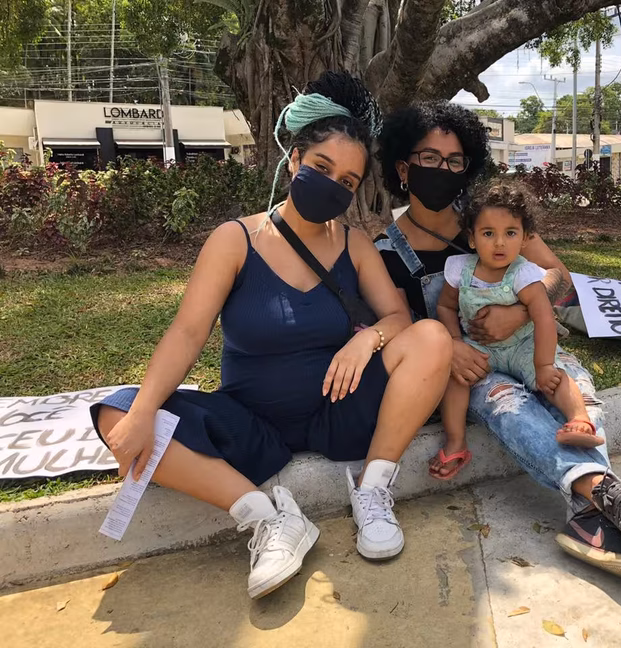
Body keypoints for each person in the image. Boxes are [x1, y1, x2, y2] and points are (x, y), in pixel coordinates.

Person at [89, 72, 452, 600]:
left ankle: (373, 492)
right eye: (322, 168)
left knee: (433, 337)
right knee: (118, 412)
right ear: (295, 161)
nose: (332, 184)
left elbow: (399, 318)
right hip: (251, 424)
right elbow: (188, 332)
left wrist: (366, 339)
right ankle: (271, 519)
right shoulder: (234, 240)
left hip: (339, 414)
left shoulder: (354, 245)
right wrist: (145, 410)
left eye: (348, 181)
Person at [376, 101, 621, 584]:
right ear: (403, 168)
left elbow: (558, 275)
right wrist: (451, 345)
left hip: (531, 346)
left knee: (575, 389)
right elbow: (399, 327)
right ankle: (602, 496)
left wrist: (519, 312)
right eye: (429, 158)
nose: (443, 170)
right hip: (469, 369)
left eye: (454, 160)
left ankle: (590, 511)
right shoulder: (386, 252)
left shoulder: (494, 219)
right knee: (509, 406)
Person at [433, 180, 603, 480]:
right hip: (480, 347)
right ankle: (456, 441)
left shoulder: (524, 273)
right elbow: (445, 306)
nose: (499, 243)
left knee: (556, 376)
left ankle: (580, 419)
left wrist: (544, 364)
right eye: (488, 234)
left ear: (525, 238)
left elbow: (544, 318)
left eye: (510, 233)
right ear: (472, 238)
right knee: (456, 378)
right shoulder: (460, 270)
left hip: (524, 345)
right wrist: (455, 340)